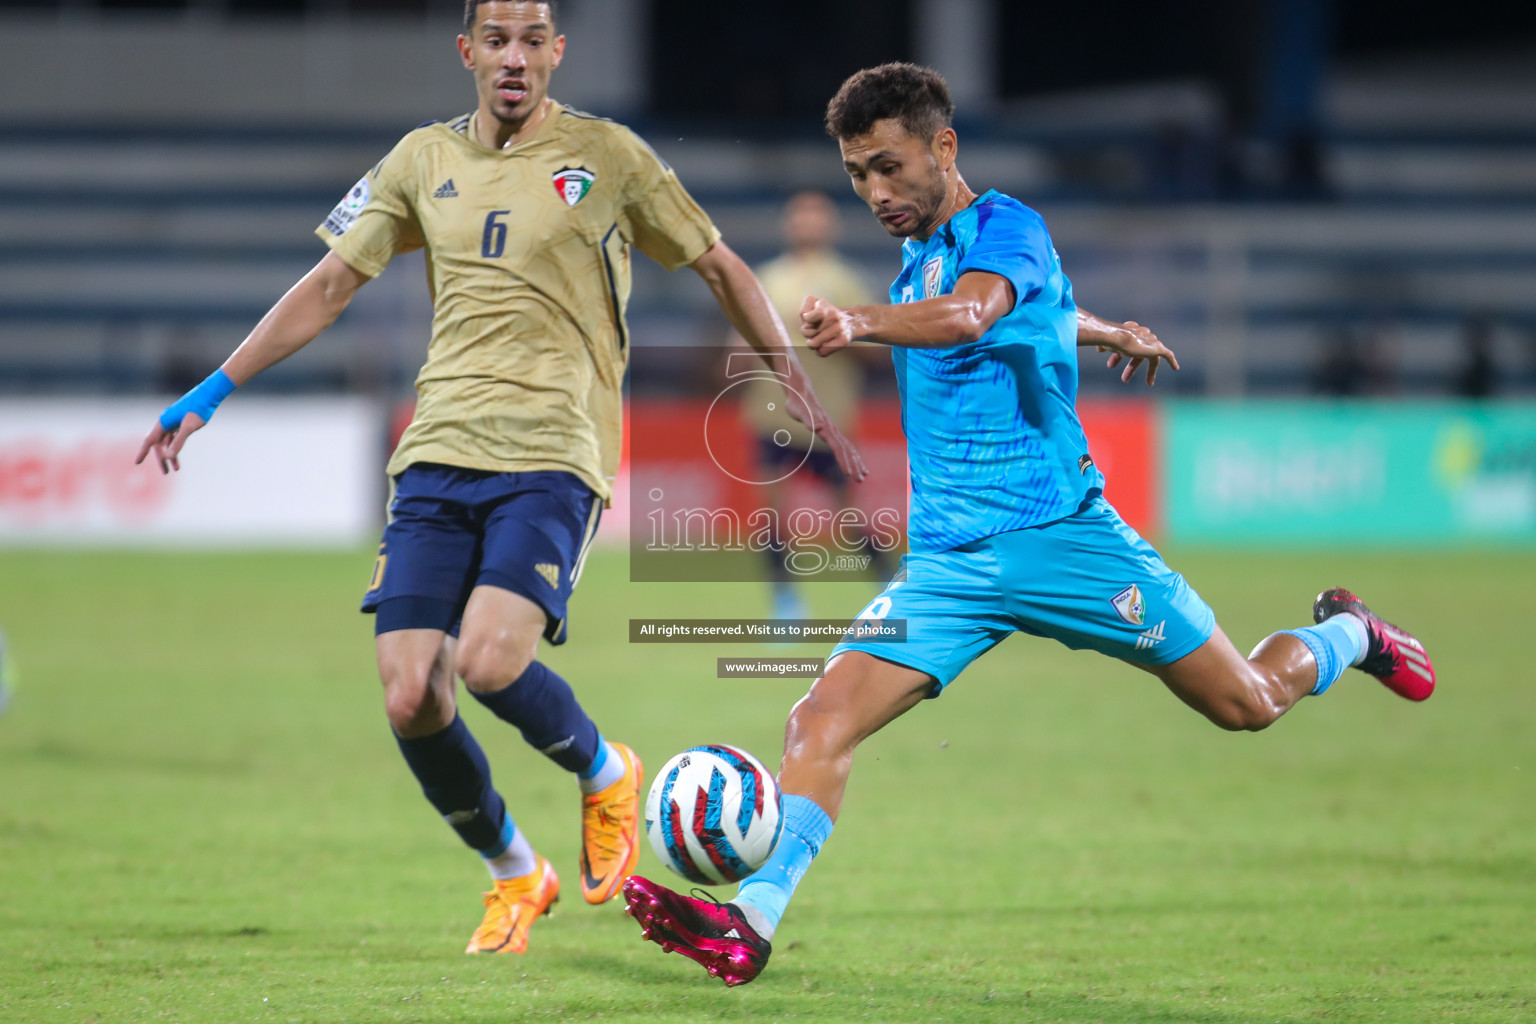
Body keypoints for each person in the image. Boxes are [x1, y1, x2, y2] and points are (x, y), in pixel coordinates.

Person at [622, 62, 1437, 987]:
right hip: (948, 567)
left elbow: (977, 314)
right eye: (858, 174)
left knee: (1245, 702)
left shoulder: (1007, 226)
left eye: (889, 167)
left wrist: (859, 320)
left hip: (1066, 543)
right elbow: (1024, 306)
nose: (874, 192)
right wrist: (1104, 330)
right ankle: (749, 923)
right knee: (816, 724)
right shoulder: (923, 253)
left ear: (945, 147)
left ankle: (1348, 634)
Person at [135, 0, 863, 957]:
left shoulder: (610, 156)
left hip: (555, 450)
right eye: (496, 40)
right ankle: (514, 870)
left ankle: (606, 770)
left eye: (532, 41)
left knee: (487, 661)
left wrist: (786, 372)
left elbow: (720, 263)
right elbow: (327, 287)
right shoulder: (416, 161)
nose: (514, 58)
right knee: (410, 693)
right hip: (436, 450)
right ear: (467, 51)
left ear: (556, 53)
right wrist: (216, 386)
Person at [735, 191, 889, 618]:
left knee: (851, 518)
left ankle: (890, 590)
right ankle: (785, 604)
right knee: (772, 518)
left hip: (829, 417)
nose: (807, 225)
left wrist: (843, 336)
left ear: (829, 226)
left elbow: (873, 350)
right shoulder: (767, 280)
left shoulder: (845, 281)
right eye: (801, 217)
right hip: (772, 414)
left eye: (816, 218)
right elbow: (743, 343)